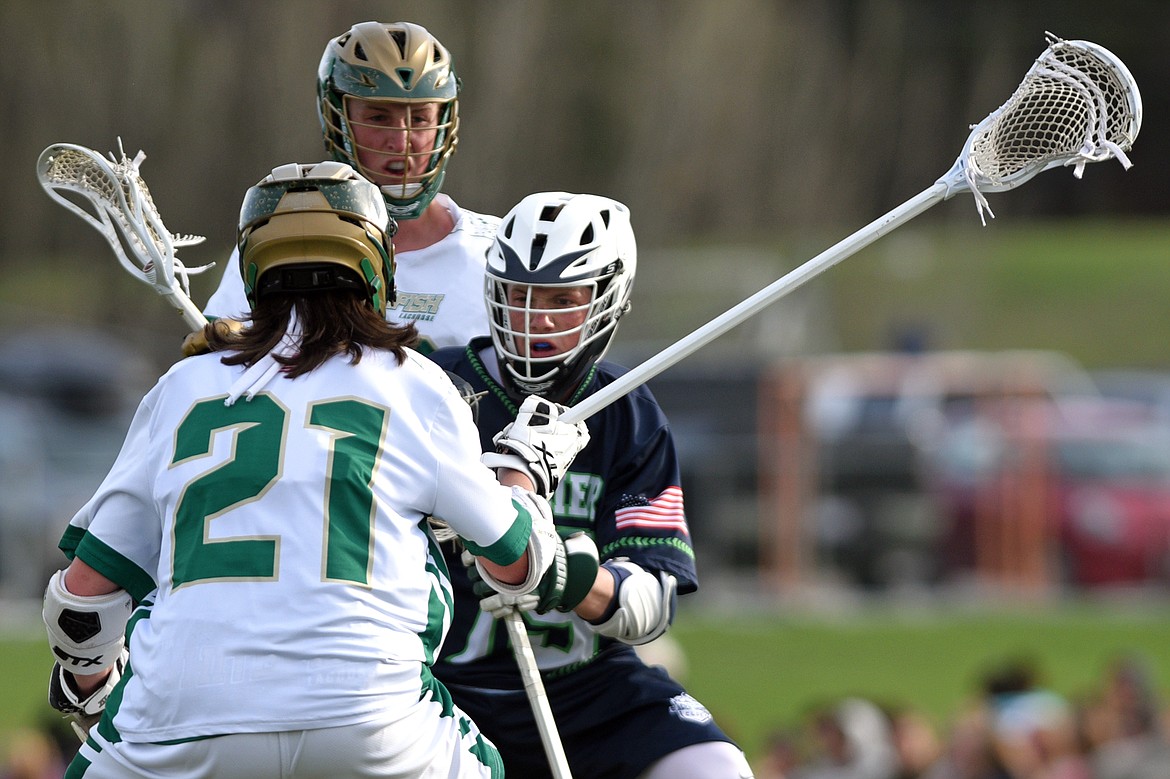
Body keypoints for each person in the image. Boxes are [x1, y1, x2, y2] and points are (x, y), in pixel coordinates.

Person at [41, 162, 591, 779]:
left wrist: (90, 685)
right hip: (370, 720)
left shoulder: (182, 387)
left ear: (252, 272)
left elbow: (82, 602)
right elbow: (518, 561)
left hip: (178, 718)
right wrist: (523, 469)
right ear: (378, 265)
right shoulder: (417, 383)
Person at [429, 191, 754, 778]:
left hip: (588, 688)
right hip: (443, 691)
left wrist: (565, 576)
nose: (536, 320)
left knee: (715, 768)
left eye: (561, 299)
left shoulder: (625, 411)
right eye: (520, 296)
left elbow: (649, 607)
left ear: (606, 302)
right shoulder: (434, 387)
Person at [200, 20, 495, 355]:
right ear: (336, 118)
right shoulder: (278, 234)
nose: (401, 141)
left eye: (421, 118)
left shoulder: (498, 253)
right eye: (378, 117)